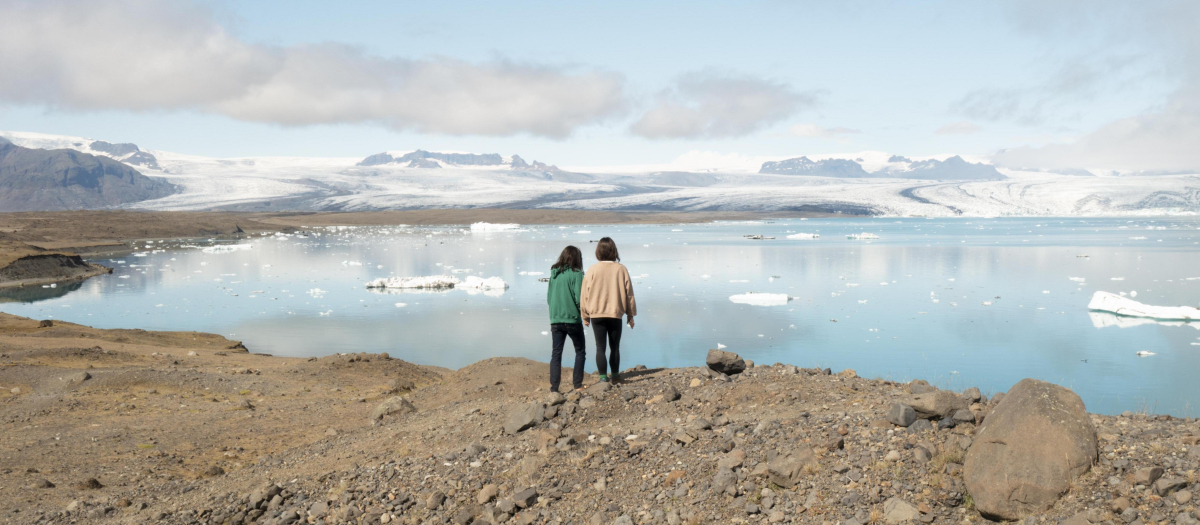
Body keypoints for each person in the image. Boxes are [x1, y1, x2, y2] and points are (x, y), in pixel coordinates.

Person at [580, 237, 636, 384]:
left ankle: (603, 378)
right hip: (615, 314)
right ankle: (616, 376)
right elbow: (629, 294)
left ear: (598, 251)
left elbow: (584, 294)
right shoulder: (621, 269)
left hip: (596, 315)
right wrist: (630, 315)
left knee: (600, 347)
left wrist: (585, 315)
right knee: (615, 347)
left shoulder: (592, 269)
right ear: (614, 251)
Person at [546, 245, 586, 393]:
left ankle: (554, 388)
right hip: (572, 319)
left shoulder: (554, 274)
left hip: (555, 319)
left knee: (556, 353)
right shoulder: (577, 274)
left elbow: (549, 298)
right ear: (577, 258)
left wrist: (555, 313)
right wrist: (584, 314)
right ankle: (577, 385)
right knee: (580, 351)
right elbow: (579, 298)